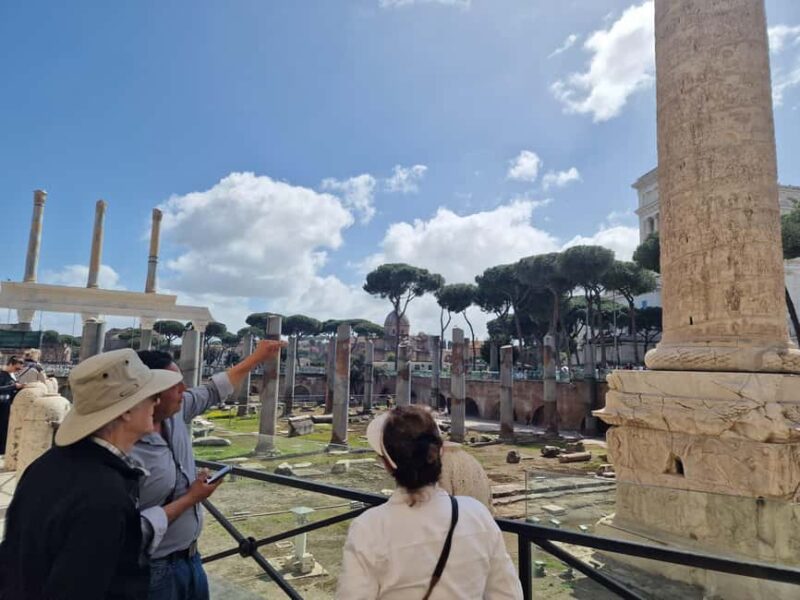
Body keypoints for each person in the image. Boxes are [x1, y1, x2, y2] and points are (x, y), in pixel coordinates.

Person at [0, 348, 182, 600]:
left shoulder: (46, 465)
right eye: (150, 396)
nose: (157, 402)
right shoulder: (104, 495)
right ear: (126, 411)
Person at [133, 339, 284, 600]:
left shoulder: (176, 412)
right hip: (151, 570)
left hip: (191, 558)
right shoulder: (123, 447)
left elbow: (215, 389)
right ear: (151, 392)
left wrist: (257, 357)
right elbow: (126, 530)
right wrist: (192, 498)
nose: (184, 388)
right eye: (174, 385)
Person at [337, 406, 523, 600]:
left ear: (386, 464)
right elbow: (509, 595)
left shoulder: (368, 528)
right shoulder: (477, 515)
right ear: (440, 452)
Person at [0, 356, 24, 453]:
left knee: (5, 429)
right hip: (1, 406)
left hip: (6, 406)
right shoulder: (2, 374)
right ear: (10, 364)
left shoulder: (12, 375)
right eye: (17, 368)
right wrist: (14, 386)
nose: (18, 371)